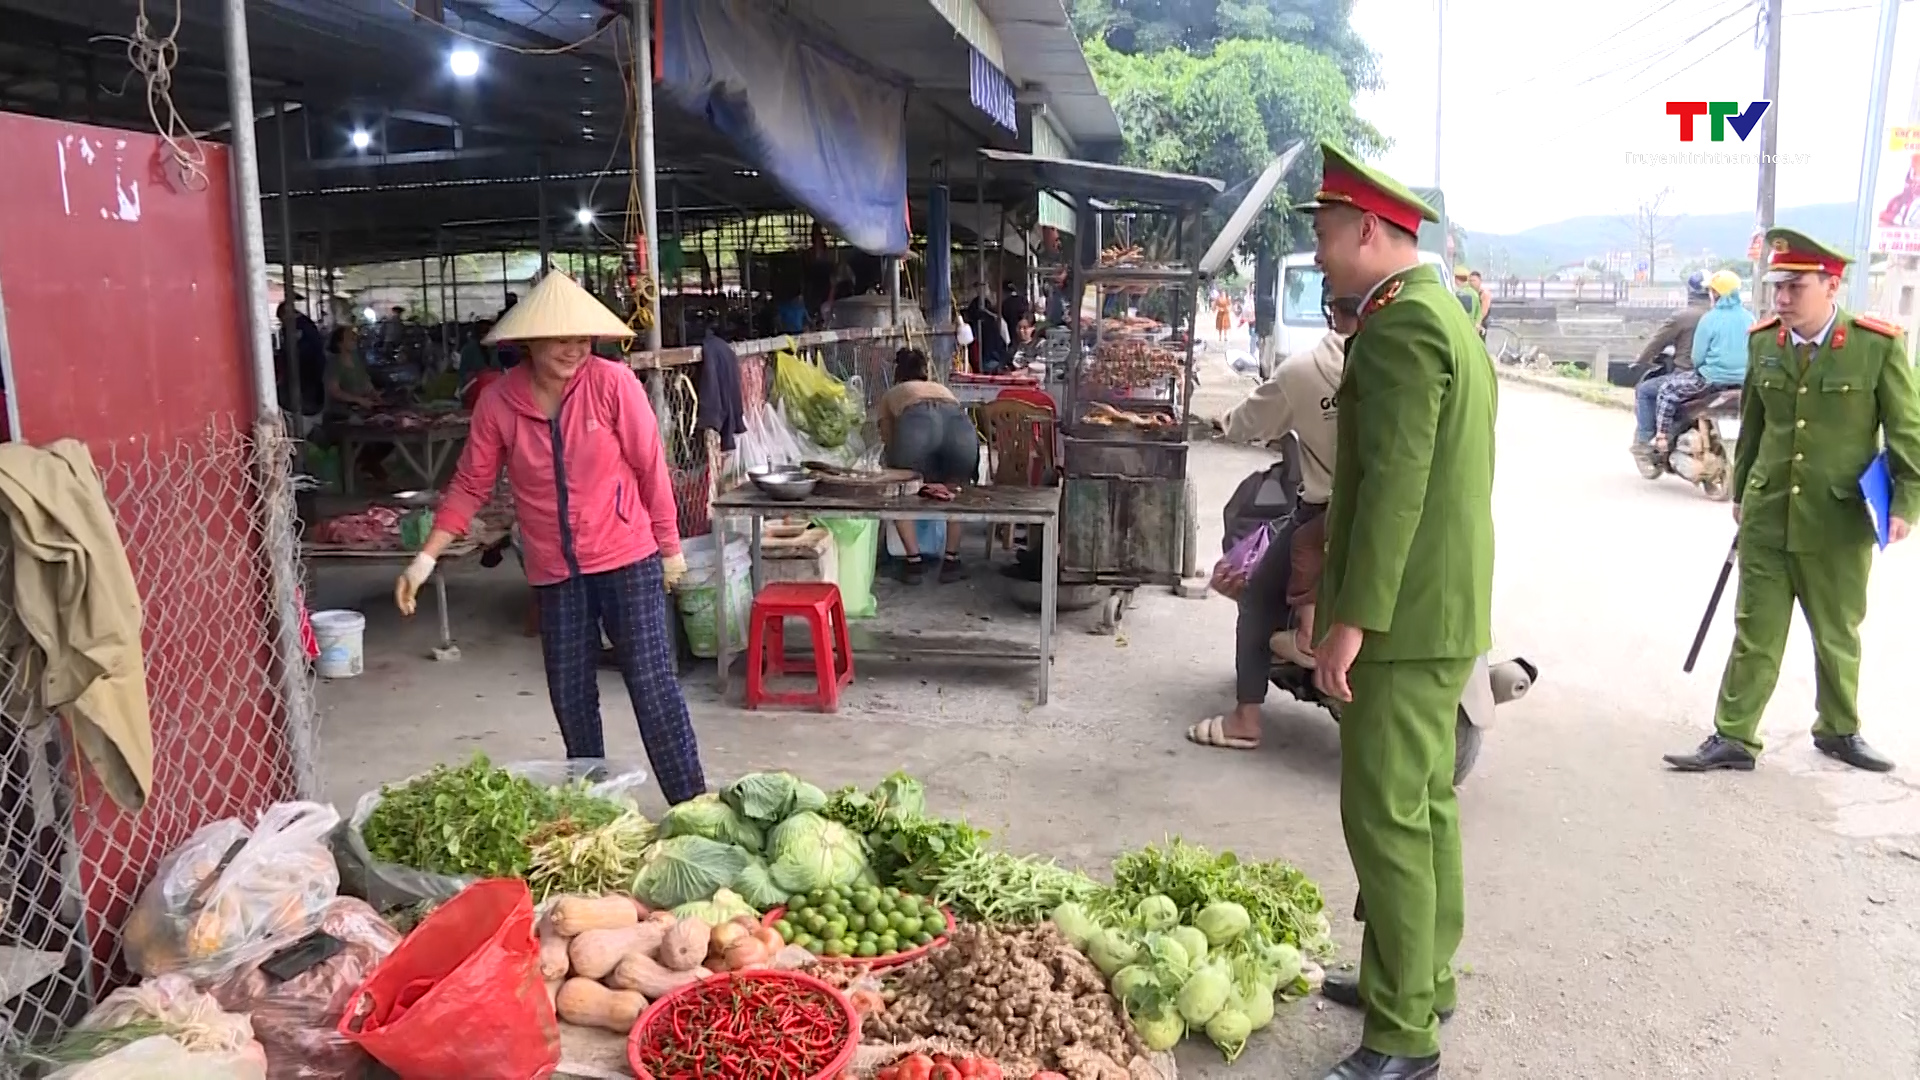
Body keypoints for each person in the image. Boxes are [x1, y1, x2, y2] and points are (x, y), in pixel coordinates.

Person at [1297, 142, 1496, 1080]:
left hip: (1405, 616)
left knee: (1386, 815)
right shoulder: (1436, 313)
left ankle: (1402, 1034)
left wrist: (1350, 621)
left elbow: (1396, 492)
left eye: (1330, 234)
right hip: (1437, 607)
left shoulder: (1407, 327)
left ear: (1372, 229)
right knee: (1424, 804)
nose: (1325, 253)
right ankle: (1419, 976)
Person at [394, 271, 706, 804]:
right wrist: (425, 559)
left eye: (583, 338)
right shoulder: (498, 404)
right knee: (570, 694)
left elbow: (651, 468)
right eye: (561, 338)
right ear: (529, 342)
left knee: (653, 690)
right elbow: (471, 482)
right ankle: (593, 810)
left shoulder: (613, 385)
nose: (575, 348)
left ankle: (693, 804)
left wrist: (670, 549)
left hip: (627, 558)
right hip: (554, 571)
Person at [1663, 228, 1920, 776]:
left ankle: (1838, 730)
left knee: (1835, 633)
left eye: (1794, 287)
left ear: (1832, 286)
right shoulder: (1764, 342)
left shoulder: (1877, 346)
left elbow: (1907, 432)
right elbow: (1755, 425)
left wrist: (1906, 503)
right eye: (1777, 286)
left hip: (1838, 518)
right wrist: (1742, 489)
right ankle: (1733, 735)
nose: (1780, 299)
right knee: (1755, 629)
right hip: (1767, 512)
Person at [1188, 294, 1358, 752]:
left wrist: (1227, 422)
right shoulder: (1403, 368)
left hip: (1325, 512)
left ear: (1331, 307)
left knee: (1259, 593)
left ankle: (1246, 718)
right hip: (1399, 511)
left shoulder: (1302, 372)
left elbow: (1247, 422)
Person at [877, 348, 978, 584]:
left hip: (918, 427)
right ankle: (951, 561)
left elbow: (888, 438)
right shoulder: (941, 388)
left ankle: (914, 563)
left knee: (899, 493)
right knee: (955, 491)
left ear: (898, 373)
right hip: (961, 430)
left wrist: (897, 466)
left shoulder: (894, 393)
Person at [1651, 270, 1752, 451]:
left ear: (1716, 294)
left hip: (1712, 380)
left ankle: (1661, 437)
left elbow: (1697, 358)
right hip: (1745, 381)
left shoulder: (1709, 319)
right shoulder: (1750, 318)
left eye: (1712, 291)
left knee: (1667, 390)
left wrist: (1702, 369)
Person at [1630, 272, 1712, 451]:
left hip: (1689, 374)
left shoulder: (1683, 317)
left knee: (1644, 390)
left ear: (1690, 291)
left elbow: (1656, 342)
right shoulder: (1721, 316)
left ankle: (1646, 439)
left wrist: (1641, 360)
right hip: (1725, 378)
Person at [274, 300, 327, 436]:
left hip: (304, 372)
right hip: (310, 371)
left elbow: (296, 351)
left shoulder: (299, 327)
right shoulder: (306, 325)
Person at [1467, 271, 1491, 338]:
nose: (1471, 283)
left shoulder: (1484, 293)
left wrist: (1478, 323)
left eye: (1474, 281)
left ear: (1480, 281)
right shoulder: (1470, 292)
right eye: (1470, 281)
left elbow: (1484, 311)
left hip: (1482, 321)